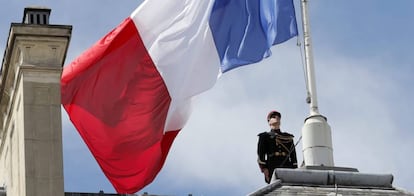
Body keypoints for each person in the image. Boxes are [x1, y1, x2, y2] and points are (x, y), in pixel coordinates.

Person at [257, 110, 298, 183]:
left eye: (278, 117)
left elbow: (293, 156)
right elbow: (261, 154)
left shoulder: (288, 137)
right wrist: (264, 169)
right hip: (272, 166)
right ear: (269, 122)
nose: (277, 118)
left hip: (287, 166)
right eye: (273, 117)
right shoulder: (265, 136)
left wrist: (295, 169)